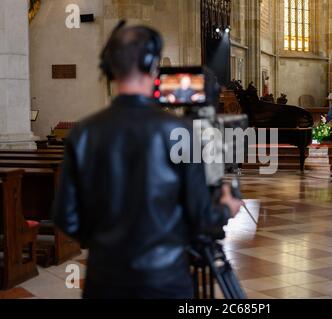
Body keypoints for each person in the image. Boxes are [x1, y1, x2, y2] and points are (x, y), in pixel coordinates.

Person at [52, 23, 241, 299]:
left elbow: (65, 217)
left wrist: (108, 243)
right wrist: (226, 207)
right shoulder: (180, 132)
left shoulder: (83, 133)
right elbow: (201, 217)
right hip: (164, 280)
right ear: (152, 66)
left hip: (104, 280)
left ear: (109, 68)